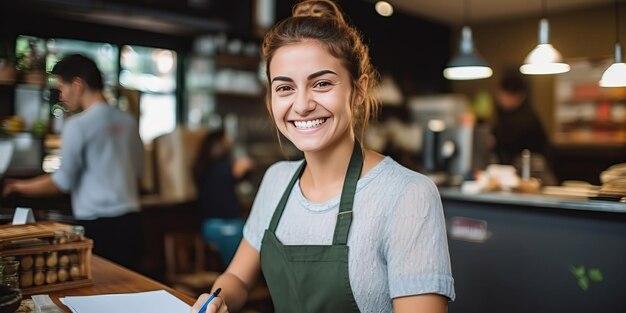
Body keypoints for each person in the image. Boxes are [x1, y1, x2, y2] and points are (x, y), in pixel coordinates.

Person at [190, 1, 455, 312]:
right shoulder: (276, 180)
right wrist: (218, 300)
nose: (301, 105)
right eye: (285, 88)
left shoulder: (407, 195)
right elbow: (236, 276)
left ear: (358, 91)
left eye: (322, 84)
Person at [2, 54, 145, 271]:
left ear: (77, 84)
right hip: (132, 222)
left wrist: (17, 186)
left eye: (62, 88)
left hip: (99, 226)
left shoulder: (78, 125)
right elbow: (139, 170)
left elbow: (63, 182)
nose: (61, 96)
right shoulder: (128, 121)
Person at [192, 129, 254, 267]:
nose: (229, 143)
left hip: (208, 226)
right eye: (226, 141)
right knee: (252, 241)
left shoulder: (201, 168)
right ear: (218, 145)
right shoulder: (224, 168)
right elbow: (242, 168)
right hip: (226, 226)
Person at [491, 69, 549, 165]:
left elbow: (506, 140)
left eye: (509, 96)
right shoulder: (504, 114)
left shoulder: (526, 118)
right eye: (502, 94)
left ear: (520, 96)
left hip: (531, 166)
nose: (504, 99)